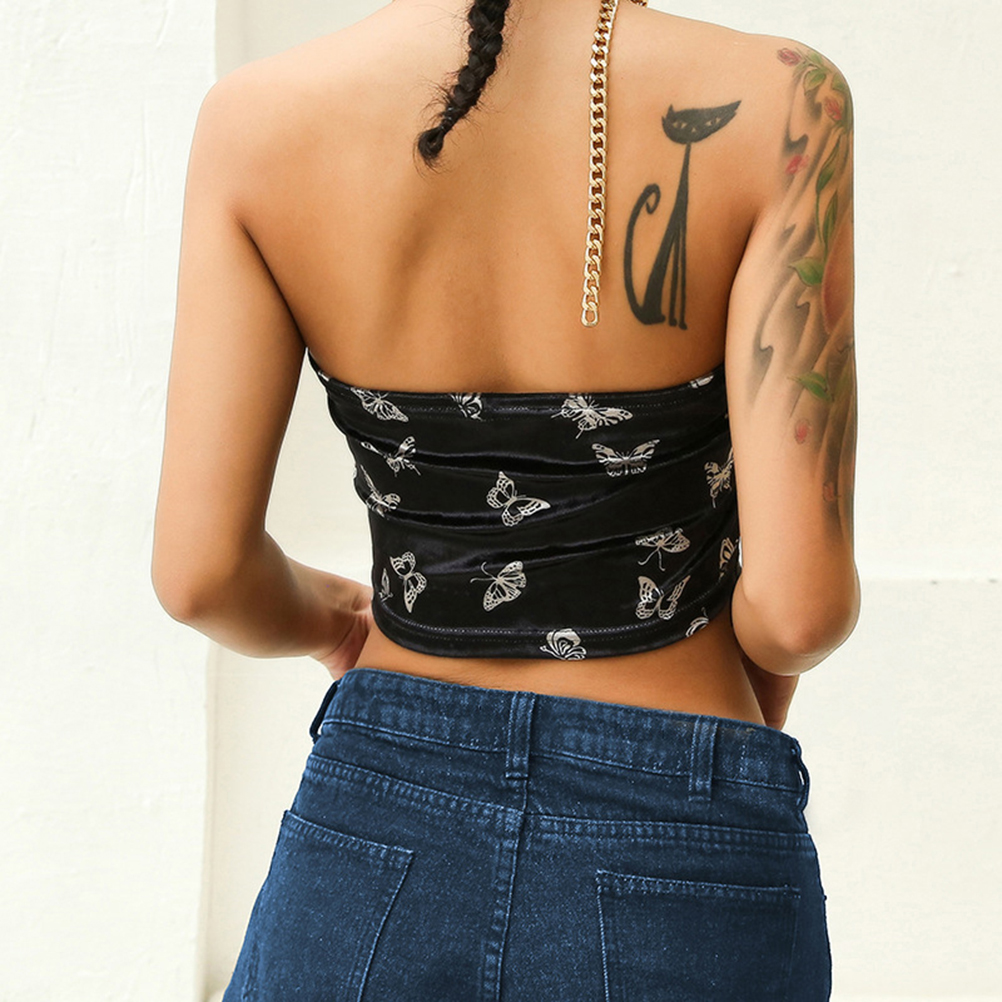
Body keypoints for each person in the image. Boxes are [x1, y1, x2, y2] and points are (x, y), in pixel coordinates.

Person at [152, 0, 859, 995]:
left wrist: (339, 623)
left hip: (374, 809)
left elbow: (202, 575)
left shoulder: (254, 119)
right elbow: (797, 612)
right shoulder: (784, 100)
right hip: (678, 830)